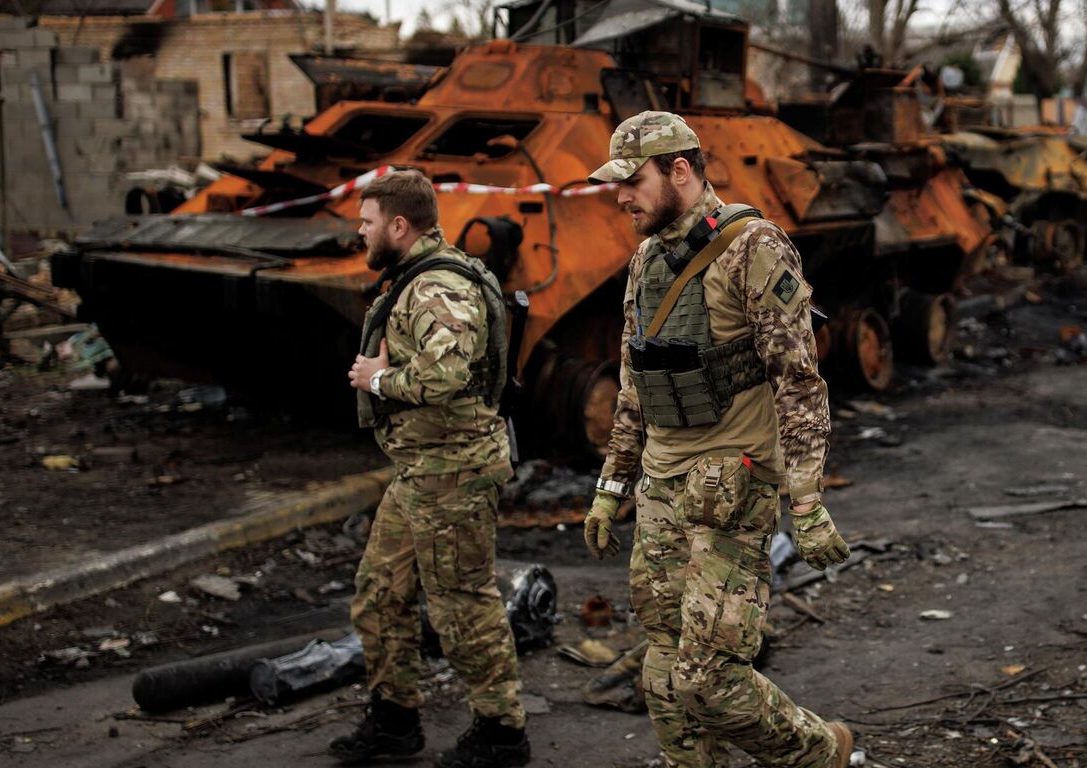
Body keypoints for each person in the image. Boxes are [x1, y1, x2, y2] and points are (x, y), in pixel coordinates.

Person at [580, 111, 854, 768]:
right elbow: (632, 380)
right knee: (663, 673)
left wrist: (808, 502)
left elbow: (798, 380)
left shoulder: (755, 247)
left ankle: (818, 752)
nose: (621, 197)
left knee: (708, 679)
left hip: (730, 487)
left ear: (680, 170)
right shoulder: (646, 258)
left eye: (633, 181)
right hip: (660, 486)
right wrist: (611, 484)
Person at [338, 170, 531, 767]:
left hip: (454, 471)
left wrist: (378, 378)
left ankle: (502, 732)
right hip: (421, 469)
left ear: (399, 225)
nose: (361, 233)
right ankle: (395, 720)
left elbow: (445, 375)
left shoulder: (436, 289)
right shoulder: (413, 278)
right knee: (380, 591)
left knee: (461, 600)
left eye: (367, 223)